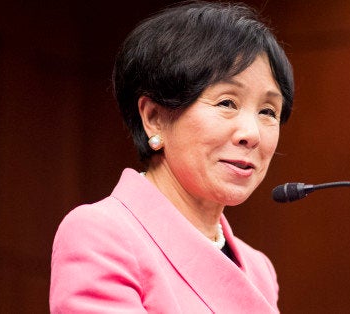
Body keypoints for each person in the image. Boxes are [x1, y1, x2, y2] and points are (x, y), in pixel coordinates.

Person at [49, 1, 293, 313]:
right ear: (154, 118)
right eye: (227, 103)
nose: (252, 133)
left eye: (268, 111)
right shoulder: (101, 234)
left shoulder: (260, 270)